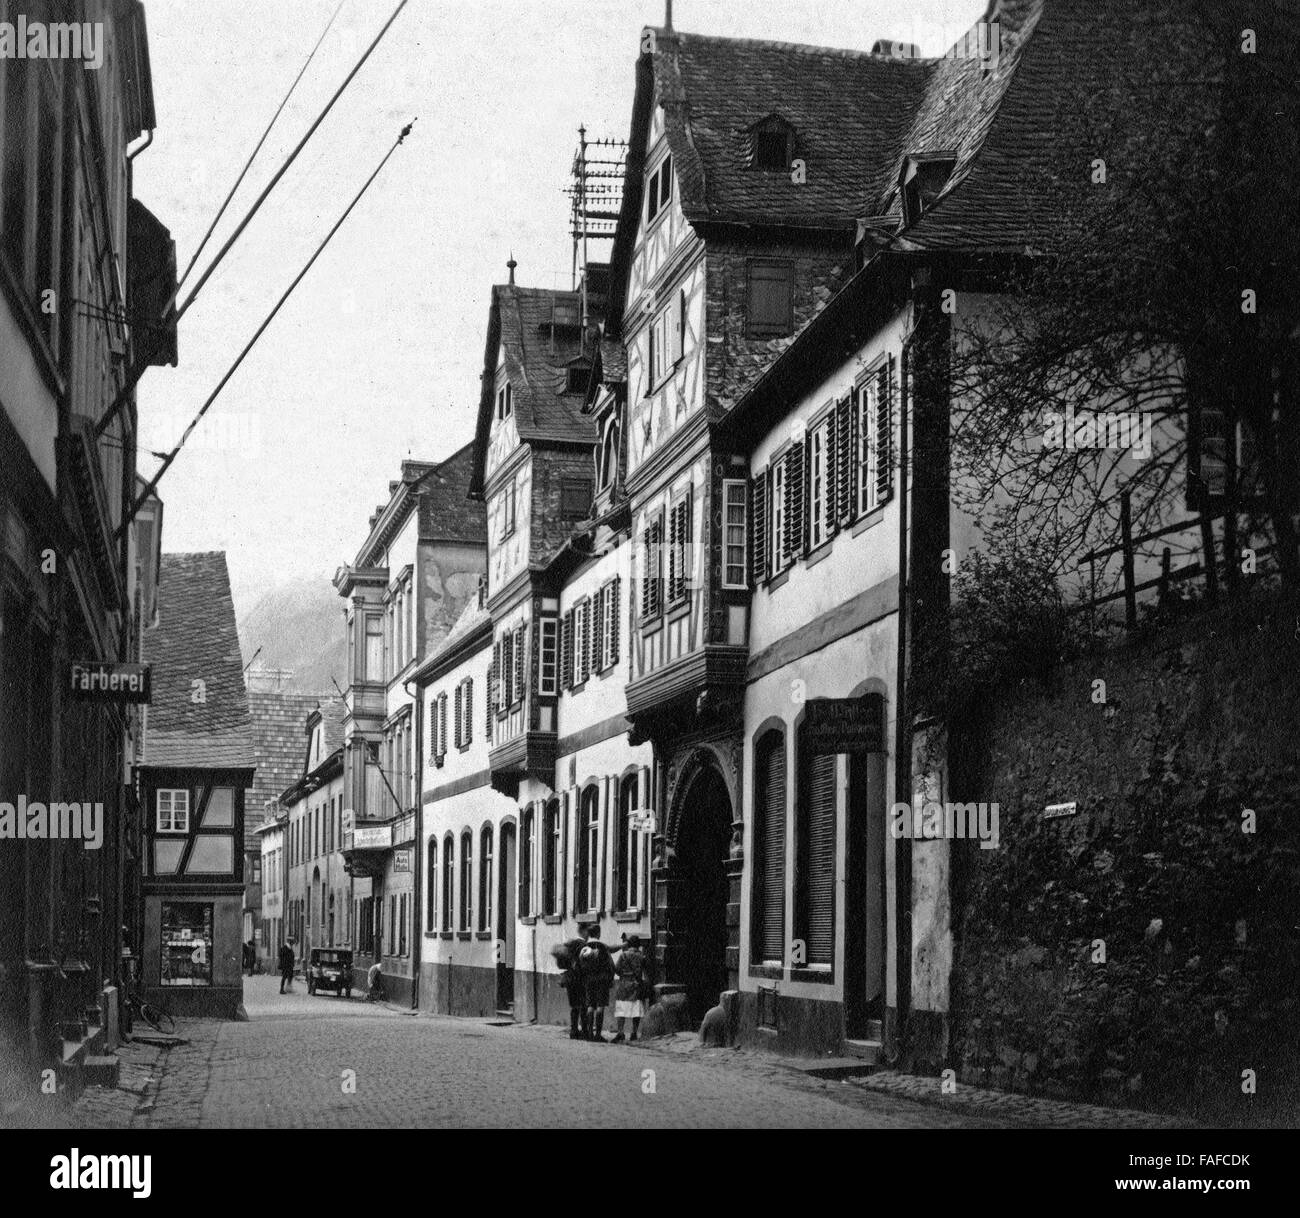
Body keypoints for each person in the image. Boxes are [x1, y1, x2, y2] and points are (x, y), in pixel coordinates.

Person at [575, 923, 615, 1042]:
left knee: (590, 1006)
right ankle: (598, 1034)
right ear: (598, 933)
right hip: (602, 979)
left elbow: (579, 965)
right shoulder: (602, 947)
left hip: (589, 979)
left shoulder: (584, 947)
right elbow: (610, 964)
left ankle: (589, 1033)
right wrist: (610, 977)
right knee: (600, 1006)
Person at [612, 934, 648, 1043]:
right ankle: (634, 1032)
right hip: (636, 984)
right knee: (636, 1009)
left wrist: (624, 974)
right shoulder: (642, 956)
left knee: (621, 1009)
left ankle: (620, 1032)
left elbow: (617, 969)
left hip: (624, 984)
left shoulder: (623, 955)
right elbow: (645, 971)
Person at [551, 938, 586, 1039]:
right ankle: (583, 1029)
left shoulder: (567, 957)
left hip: (570, 982)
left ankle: (574, 1030)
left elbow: (561, 966)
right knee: (583, 1006)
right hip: (580, 982)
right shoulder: (579, 957)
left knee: (574, 1007)